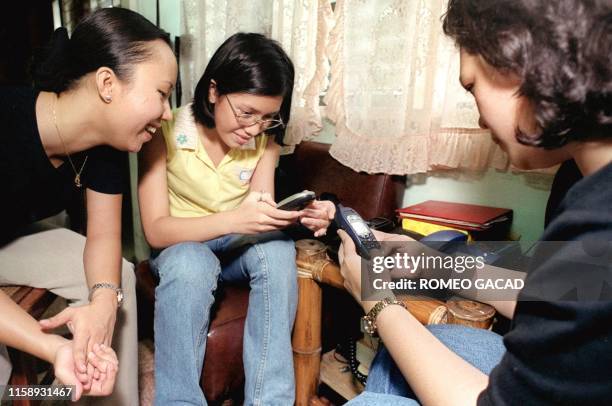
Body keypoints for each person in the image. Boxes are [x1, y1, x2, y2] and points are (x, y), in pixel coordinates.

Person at [338, 0, 612, 405]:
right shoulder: (583, 180)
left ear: (525, 63)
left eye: (472, 86)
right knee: (417, 351)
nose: (482, 120)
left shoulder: (598, 217)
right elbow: (570, 297)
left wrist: (377, 301)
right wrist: (431, 261)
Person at [138, 32, 334, 405]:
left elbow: (259, 208)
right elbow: (156, 229)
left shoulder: (266, 140)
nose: (254, 128)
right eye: (246, 113)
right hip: (180, 245)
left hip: (235, 246)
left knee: (277, 251)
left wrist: (298, 214)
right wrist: (235, 220)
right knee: (191, 263)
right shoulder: (162, 130)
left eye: (267, 118)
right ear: (213, 91)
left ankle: (269, 400)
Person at [0, 7, 177, 404]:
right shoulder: (7, 121)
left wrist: (102, 302)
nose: (167, 114)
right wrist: (57, 350)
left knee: (119, 281)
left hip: (9, 235)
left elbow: (103, 237)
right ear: (107, 83)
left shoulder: (108, 147)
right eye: (162, 93)